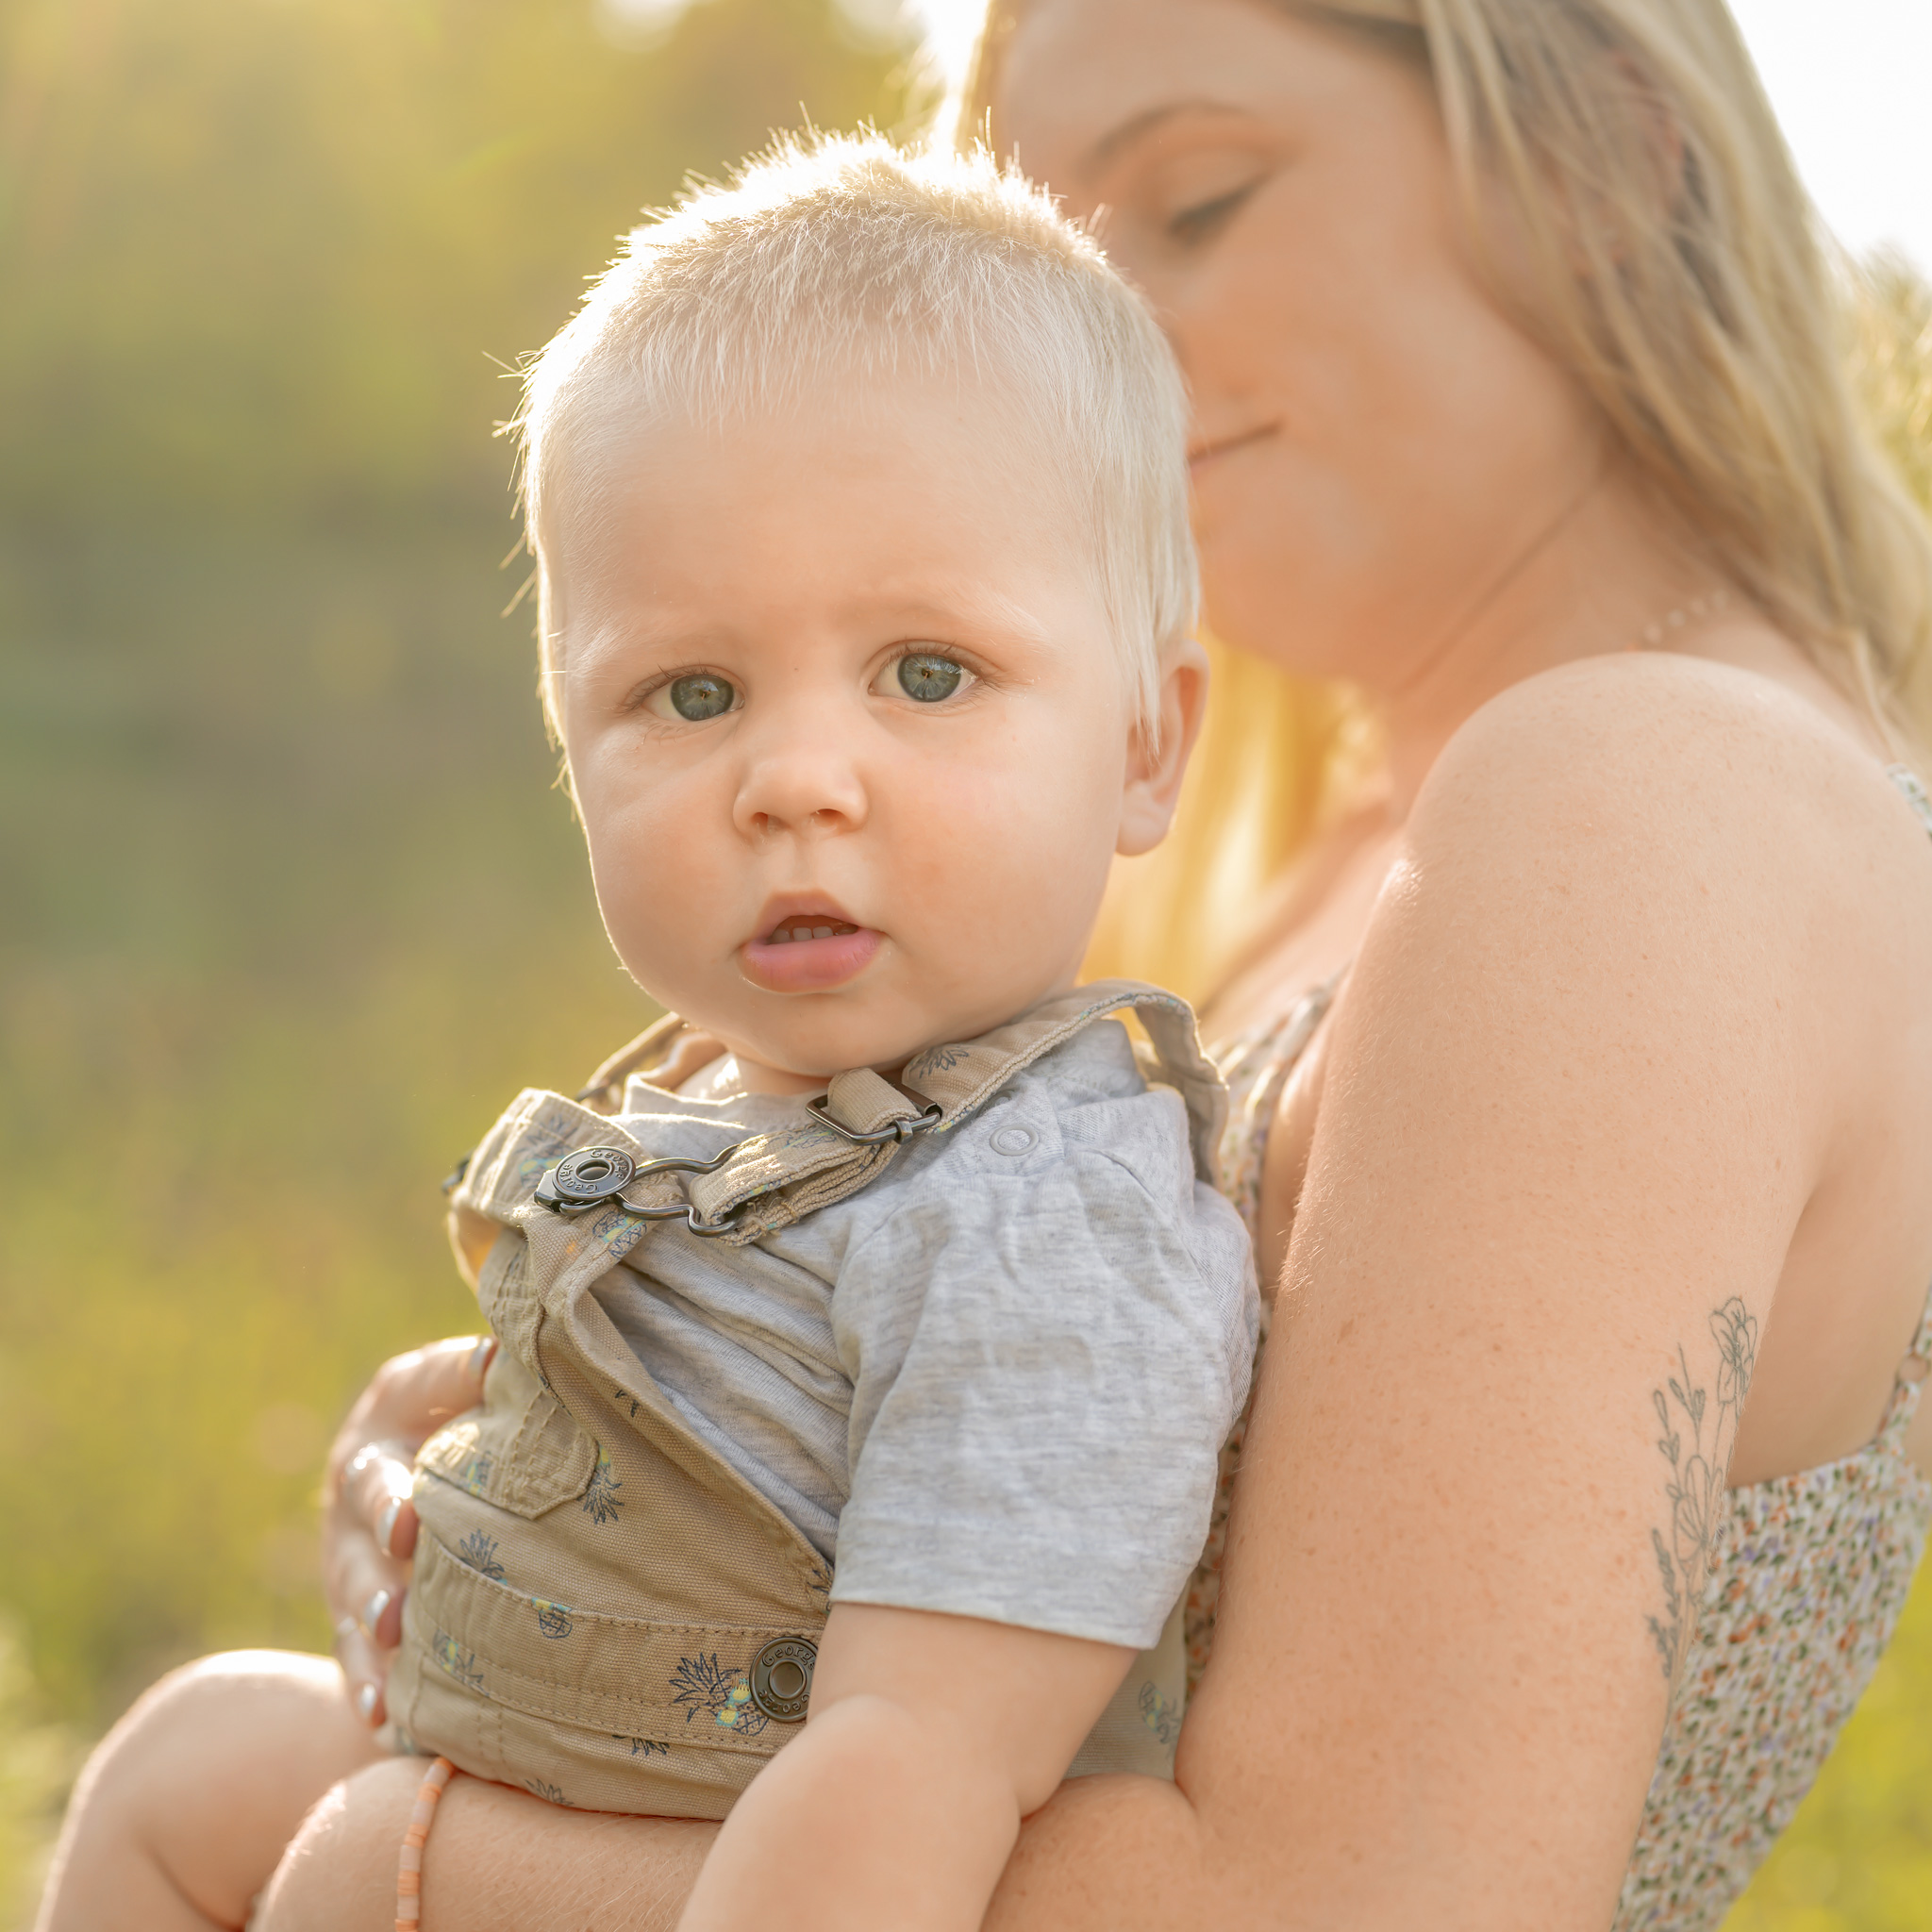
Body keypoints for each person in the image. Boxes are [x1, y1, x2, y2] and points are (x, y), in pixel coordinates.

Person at [46, 1, 1932, 1927]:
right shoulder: (1296, 865)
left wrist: (390, 1859)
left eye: (1197, 203)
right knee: (200, 1752)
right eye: (1039, 249)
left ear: (1598, 161)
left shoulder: (1642, 794)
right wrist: (550, 1470)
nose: (1081, 346)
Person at [33, 135, 1259, 1930]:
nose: (797, 778)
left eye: (928, 673)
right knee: (188, 1764)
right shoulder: (709, 1111)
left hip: (750, 1858)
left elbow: (920, 1759)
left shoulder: (1042, 1213)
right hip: (519, 1753)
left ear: (1146, 745)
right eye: (692, 693)